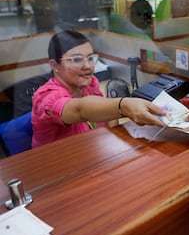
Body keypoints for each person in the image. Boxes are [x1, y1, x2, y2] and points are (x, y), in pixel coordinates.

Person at [32, 30, 166, 148]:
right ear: (55, 65)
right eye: (76, 59)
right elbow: (80, 110)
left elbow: (108, 118)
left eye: (90, 58)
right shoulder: (45, 97)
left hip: (91, 155)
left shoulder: (89, 85)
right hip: (58, 166)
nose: (88, 66)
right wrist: (123, 105)